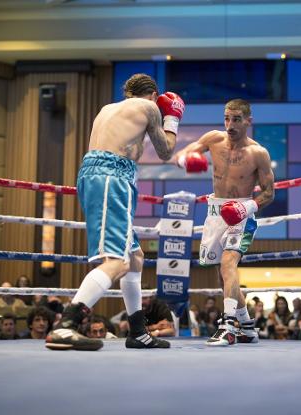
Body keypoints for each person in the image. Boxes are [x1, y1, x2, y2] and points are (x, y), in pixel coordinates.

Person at [46, 73, 183, 351]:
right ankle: (66, 326)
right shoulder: (149, 108)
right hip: (112, 177)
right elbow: (166, 151)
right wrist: (172, 118)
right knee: (117, 262)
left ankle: (137, 331)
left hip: (99, 175)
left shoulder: (107, 109)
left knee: (134, 257)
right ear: (153, 95)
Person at [174, 98, 274, 346]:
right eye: (227, 118)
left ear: (248, 121)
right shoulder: (213, 139)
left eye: (236, 119)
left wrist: (246, 206)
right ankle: (248, 327)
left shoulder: (258, 154)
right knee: (223, 275)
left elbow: (269, 193)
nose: (230, 124)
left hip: (242, 213)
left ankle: (228, 325)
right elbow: (183, 152)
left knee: (229, 262)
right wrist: (185, 160)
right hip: (215, 212)